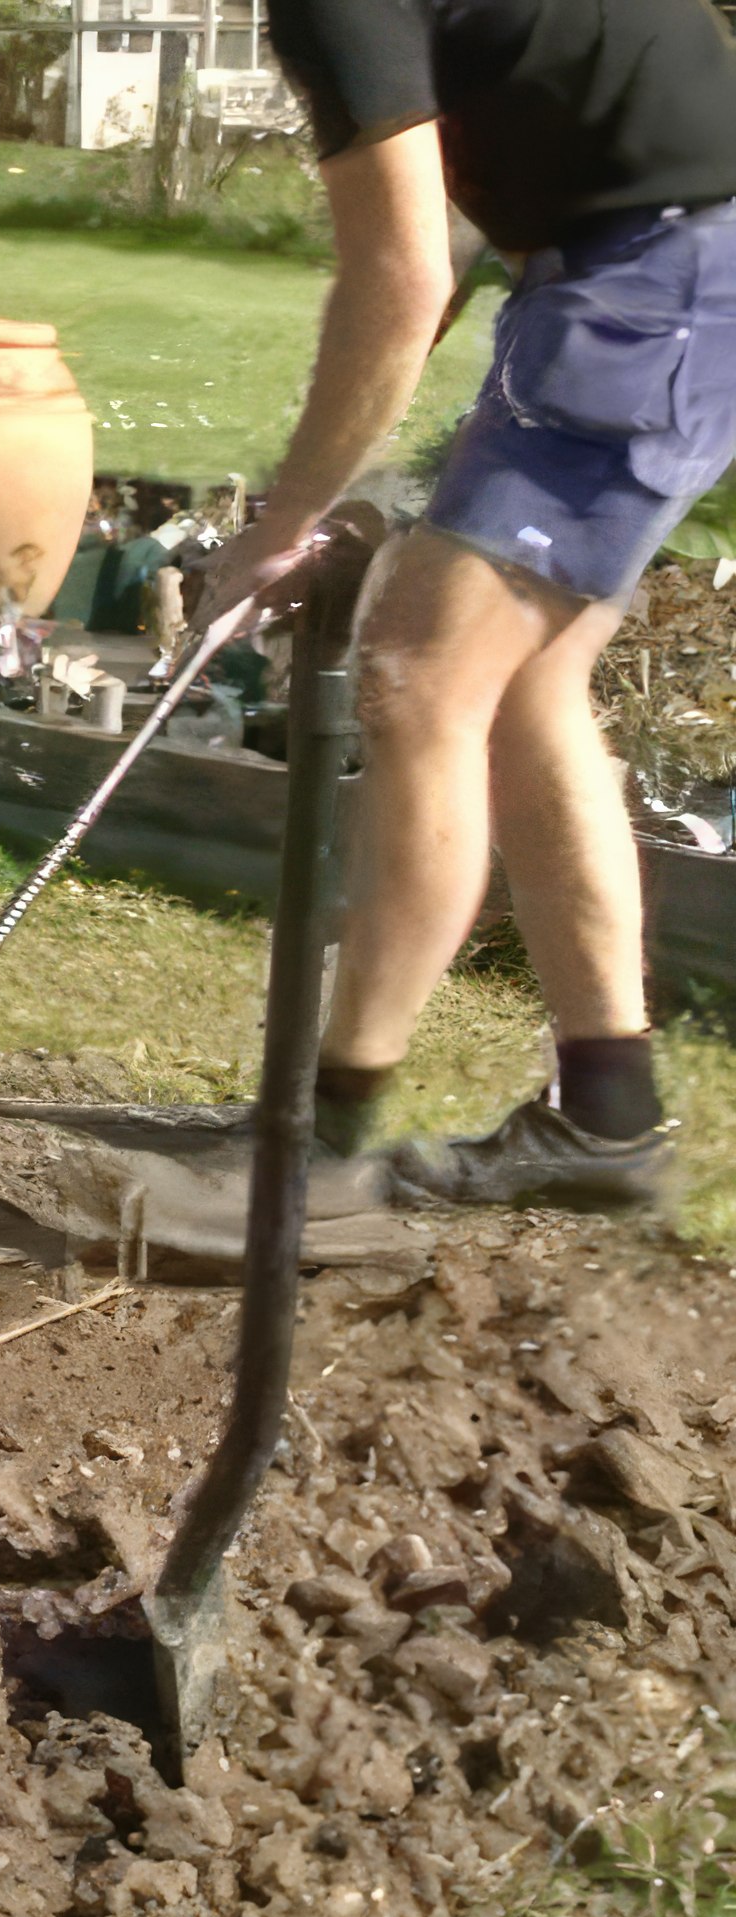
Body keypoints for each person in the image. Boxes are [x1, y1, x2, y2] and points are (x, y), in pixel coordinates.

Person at [199, 0, 736, 1205]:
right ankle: (609, 1116)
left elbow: (398, 273)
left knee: (417, 676)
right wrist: (334, 472)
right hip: (661, 266)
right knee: (524, 690)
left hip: (660, 283)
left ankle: (318, 1142)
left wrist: (282, 525)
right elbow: (434, 247)